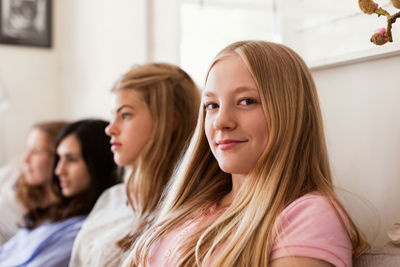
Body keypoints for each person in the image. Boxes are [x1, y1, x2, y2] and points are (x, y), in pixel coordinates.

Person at [127, 41, 370, 267]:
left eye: (246, 101)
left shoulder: (308, 217)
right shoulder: (190, 207)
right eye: (212, 105)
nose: (221, 121)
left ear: (291, 112)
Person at [69, 63, 201, 266]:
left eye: (125, 115)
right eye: (113, 115)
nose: (110, 129)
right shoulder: (111, 198)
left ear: (170, 122)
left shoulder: (189, 213)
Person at [0, 119, 119, 267]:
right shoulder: (54, 214)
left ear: (97, 163)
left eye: (71, 159)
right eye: (59, 158)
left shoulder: (83, 230)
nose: (58, 170)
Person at [0, 121, 67, 245]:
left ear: (58, 157)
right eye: (27, 149)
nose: (25, 159)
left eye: (36, 152)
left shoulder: (64, 216)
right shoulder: (10, 178)